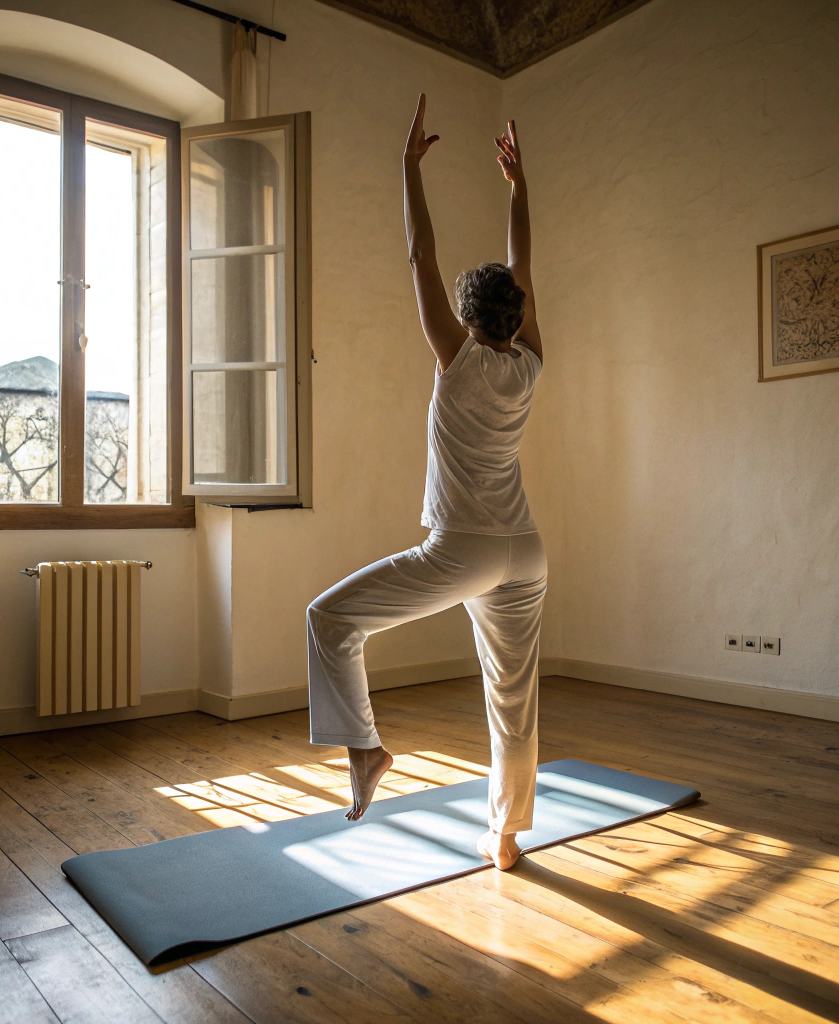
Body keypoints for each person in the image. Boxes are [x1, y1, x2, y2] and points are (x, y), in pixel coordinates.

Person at [306, 95, 546, 871]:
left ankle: (366, 749)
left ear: (469, 319)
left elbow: (420, 258)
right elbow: (527, 271)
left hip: (467, 547)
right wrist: (517, 190)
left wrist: (409, 168)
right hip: (525, 549)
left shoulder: (459, 355)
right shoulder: (528, 361)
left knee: (330, 620)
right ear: (515, 316)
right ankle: (504, 838)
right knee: (512, 701)